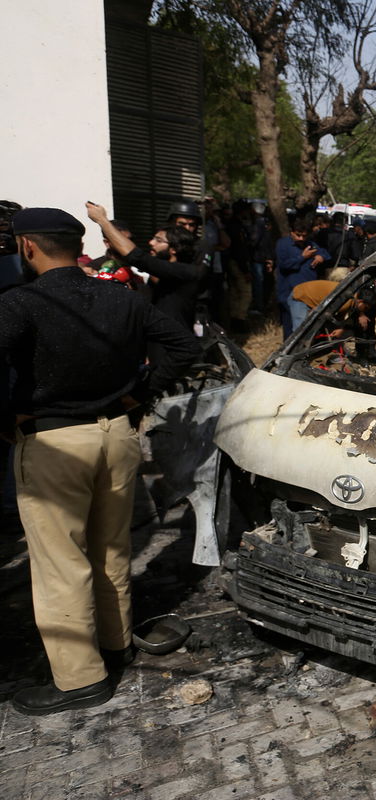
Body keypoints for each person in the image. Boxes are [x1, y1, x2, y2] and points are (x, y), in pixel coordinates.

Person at [0, 208, 199, 715]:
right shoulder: (118, 295)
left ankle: (80, 679)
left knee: (59, 563)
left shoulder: (20, 302)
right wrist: (140, 396)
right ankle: (116, 643)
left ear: (28, 247)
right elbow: (183, 345)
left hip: (53, 445)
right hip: (117, 435)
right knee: (112, 549)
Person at [86, 203, 206, 330]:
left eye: (158, 240)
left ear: (174, 249)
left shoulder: (185, 272)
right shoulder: (159, 275)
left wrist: (102, 220)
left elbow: (138, 258)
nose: (151, 243)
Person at [274, 220, 329, 338]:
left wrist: (321, 257)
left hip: (307, 293)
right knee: (290, 327)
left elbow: (325, 253)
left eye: (304, 235)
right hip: (289, 290)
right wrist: (302, 257)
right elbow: (284, 265)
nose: (301, 238)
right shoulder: (282, 244)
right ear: (292, 233)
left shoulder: (311, 244)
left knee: (304, 326)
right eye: (298, 235)